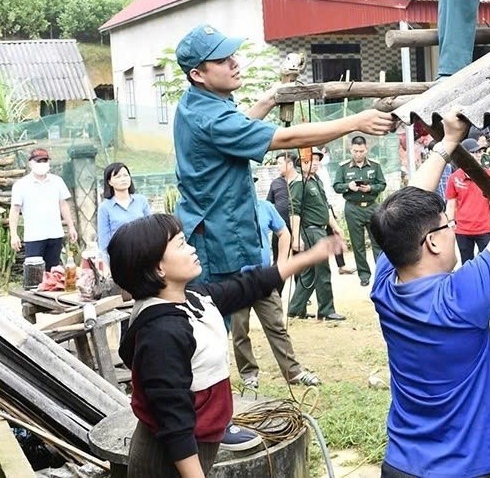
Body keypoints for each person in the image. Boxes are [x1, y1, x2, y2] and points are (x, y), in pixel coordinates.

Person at [368, 88, 490, 477]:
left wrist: (447, 142)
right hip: (465, 471)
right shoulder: (460, 299)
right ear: (433, 242)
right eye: (447, 225)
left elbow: (406, 209)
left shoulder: (385, 283)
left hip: (401, 466)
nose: (452, 229)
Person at [110, 213, 342, 478]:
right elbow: (173, 421)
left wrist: (308, 257)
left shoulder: (194, 299)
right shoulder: (162, 333)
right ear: (158, 268)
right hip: (168, 461)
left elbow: (248, 286)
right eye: (181, 244)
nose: (192, 249)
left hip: (197, 443)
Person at [171, 23, 393, 286]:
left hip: (217, 232)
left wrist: (272, 98)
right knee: (219, 309)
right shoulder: (211, 118)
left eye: (232, 55)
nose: (234, 63)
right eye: (221, 60)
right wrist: (355, 122)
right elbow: (287, 138)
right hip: (217, 241)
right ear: (197, 74)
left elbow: (239, 129)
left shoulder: (197, 103)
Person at [230, 196, 322, 390]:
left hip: (263, 277)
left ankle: (293, 372)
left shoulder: (264, 207)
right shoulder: (227, 209)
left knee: (276, 326)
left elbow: (283, 232)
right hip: (236, 281)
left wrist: (281, 263)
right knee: (239, 331)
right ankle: (249, 375)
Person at [287, 149, 348, 321]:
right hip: (310, 231)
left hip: (320, 229)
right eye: (310, 160)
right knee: (322, 271)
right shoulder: (299, 183)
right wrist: (296, 237)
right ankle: (326, 310)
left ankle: (295, 309)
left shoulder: (317, 180)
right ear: (301, 162)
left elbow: (324, 206)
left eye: (317, 160)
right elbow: (294, 211)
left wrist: (335, 227)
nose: (315, 163)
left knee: (310, 273)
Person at [10, 148, 77, 269]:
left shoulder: (57, 181)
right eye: (38, 161)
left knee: (53, 272)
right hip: (33, 236)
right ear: (30, 163)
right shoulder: (21, 185)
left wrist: (71, 226)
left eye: (44, 161)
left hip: (55, 234)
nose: (42, 164)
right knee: (34, 273)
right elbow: (15, 210)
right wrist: (14, 235)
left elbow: (63, 205)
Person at [332, 136, 386, 287]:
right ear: (351, 149)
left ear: (366, 149)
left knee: (378, 242)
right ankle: (364, 275)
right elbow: (336, 186)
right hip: (353, 208)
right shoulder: (343, 167)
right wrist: (348, 186)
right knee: (358, 244)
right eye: (355, 151)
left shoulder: (374, 166)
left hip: (372, 206)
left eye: (361, 151)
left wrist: (370, 188)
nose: (358, 154)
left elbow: (382, 184)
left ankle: (381, 274)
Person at [444, 138, 490, 264]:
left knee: (487, 263)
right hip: (462, 230)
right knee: (466, 263)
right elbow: (451, 203)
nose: (478, 155)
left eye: (479, 152)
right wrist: (450, 222)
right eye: (474, 152)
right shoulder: (454, 178)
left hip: (485, 228)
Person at [97, 162, 152, 261]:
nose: (123, 179)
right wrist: (107, 264)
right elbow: (104, 242)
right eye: (118, 177)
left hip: (144, 253)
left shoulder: (141, 201)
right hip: (120, 257)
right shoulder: (105, 207)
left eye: (126, 175)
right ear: (109, 182)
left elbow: (151, 228)